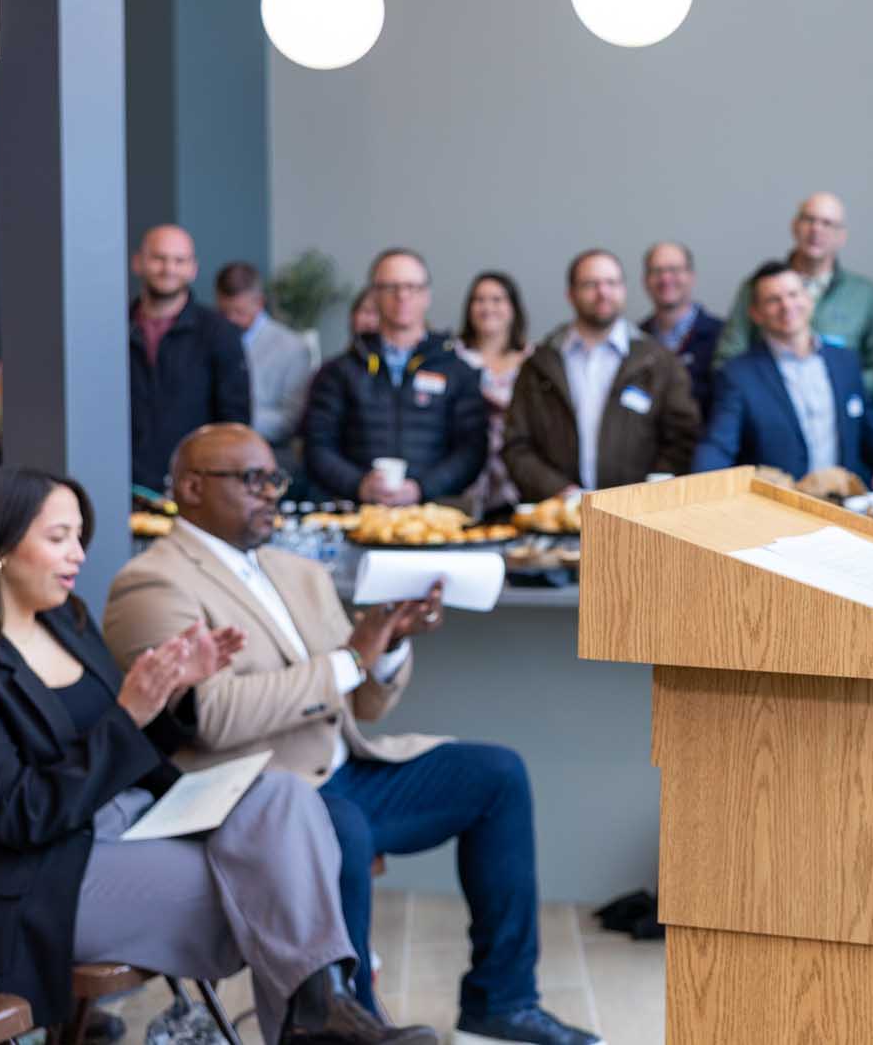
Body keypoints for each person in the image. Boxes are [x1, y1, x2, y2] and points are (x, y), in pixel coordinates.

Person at [104, 426, 602, 1045]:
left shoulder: (295, 569)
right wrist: (349, 660)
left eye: (275, 480)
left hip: (347, 766)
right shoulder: (151, 582)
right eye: (251, 480)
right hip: (255, 798)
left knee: (497, 774)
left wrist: (388, 645)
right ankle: (354, 1026)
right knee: (339, 826)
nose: (270, 495)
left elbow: (364, 703)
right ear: (192, 488)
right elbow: (211, 717)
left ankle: (501, 1002)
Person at [0, 466, 433, 1045]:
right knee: (273, 888)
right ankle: (322, 1022)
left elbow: (120, 747)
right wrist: (130, 713)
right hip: (37, 874)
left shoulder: (67, 622)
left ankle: (321, 1020)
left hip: (126, 824)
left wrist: (172, 704)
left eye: (79, 537)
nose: (79, 555)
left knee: (282, 794)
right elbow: (22, 816)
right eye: (58, 537)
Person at [501, 250, 701, 499]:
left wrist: (645, 495)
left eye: (612, 283)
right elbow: (516, 445)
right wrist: (560, 492)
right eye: (590, 284)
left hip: (638, 517)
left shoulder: (660, 362)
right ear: (571, 294)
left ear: (624, 290)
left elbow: (683, 439)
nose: (603, 292)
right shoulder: (539, 364)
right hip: (559, 517)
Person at [301, 249, 487, 506]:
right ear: (374, 295)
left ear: (427, 295)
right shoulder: (339, 371)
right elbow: (317, 447)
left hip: (436, 518)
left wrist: (422, 488)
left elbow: (472, 450)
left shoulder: (457, 371)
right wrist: (359, 485)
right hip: (355, 514)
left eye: (412, 286)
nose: (402, 296)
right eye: (391, 287)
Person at [693, 262, 873, 487]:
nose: (787, 305)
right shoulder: (738, 374)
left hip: (845, 503)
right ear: (756, 313)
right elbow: (719, 444)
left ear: (809, 299)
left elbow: (868, 422)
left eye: (793, 294)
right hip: (779, 510)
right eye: (773, 300)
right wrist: (702, 488)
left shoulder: (845, 361)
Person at [710, 193, 873, 398]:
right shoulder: (758, 286)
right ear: (794, 226)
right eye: (809, 220)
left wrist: (840, 388)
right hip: (771, 410)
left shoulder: (865, 294)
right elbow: (728, 358)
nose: (816, 229)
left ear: (842, 236)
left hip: (843, 413)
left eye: (827, 223)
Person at [129, 226, 251, 491]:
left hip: (195, 486)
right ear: (138, 262)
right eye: (158, 258)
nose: (168, 269)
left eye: (179, 260)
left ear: (193, 269)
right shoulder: (114, 329)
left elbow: (234, 422)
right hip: (125, 482)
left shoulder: (219, 333)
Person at [216, 261, 316, 462]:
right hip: (214, 445)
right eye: (224, 312)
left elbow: (290, 419)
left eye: (239, 312)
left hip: (267, 449)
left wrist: (235, 421)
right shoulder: (211, 337)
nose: (231, 320)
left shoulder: (292, 348)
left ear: (259, 302)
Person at [454, 272, 534, 515]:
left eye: (497, 300)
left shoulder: (533, 360)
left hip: (516, 473)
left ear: (513, 308)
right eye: (479, 300)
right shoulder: (452, 356)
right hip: (462, 469)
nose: (488, 307)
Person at [638, 241, 724, 418]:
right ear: (645, 280)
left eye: (674, 270)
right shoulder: (634, 340)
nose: (666, 278)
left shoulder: (722, 336)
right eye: (657, 271)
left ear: (691, 276)